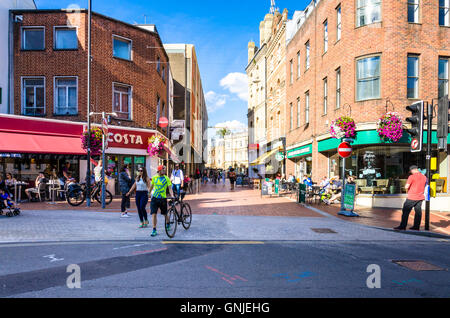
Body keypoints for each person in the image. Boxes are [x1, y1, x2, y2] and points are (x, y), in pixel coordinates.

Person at [394, 165, 427, 231]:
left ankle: (403, 226)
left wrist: (408, 188)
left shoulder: (411, 177)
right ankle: (416, 226)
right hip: (420, 197)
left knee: (405, 211)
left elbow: (406, 186)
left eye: (411, 171)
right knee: (418, 212)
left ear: (413, 170)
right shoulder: (424, 177)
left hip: (412, 197)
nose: (411, 172)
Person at [148, 165, 172, 237]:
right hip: (154, 198)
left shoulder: (166, 178)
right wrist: (148, 194)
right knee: (154, 214)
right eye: (163, 170)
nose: (164, 171)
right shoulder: (154, 178)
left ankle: (168, 223)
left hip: (163, 199)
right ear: (159, 170)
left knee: (164, 214)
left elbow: (170, 188)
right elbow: (151, 187)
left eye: (164, 170)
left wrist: (172, 195)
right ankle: (154, 229)